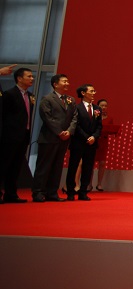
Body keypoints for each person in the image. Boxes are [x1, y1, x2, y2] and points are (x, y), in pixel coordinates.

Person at [33, 74, 77, 203]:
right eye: (64, 81)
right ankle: (38, 192)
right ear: (55, 84)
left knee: (57, 167)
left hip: (64, 139)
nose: (67, 84)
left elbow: (75, 118)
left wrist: (69, 131)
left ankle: (52, 192)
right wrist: (59, 132)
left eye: (67, 81)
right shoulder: (47, 99)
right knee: (44, 166)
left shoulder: (70, 100)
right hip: (49, 138)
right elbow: (47, 118)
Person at [0, 67, 35, 203]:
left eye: (32, 76)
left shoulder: (30, 95)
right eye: (29, 76)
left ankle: (11, 194)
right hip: (9, 136)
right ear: (19, 78)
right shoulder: (9, 94)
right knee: (4, 165)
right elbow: (3, 116)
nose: (32, 79)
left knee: (16, 166)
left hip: (24, 136)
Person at [65, 84, 102, 201]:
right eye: (91, 91)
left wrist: (94, 137)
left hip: (92, 143)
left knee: (88, 167)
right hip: (78, 142)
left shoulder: (97, 109)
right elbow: (76, 125)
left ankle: (83, 191)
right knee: (73, 166)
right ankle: (70, 191)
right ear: (83, 93)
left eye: (94, 91)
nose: (94, 93)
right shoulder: (76, 107)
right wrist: (86, 137)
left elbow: (99, 126)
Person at [93, 98, 119, 191]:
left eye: (105, 106)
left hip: (104, 142)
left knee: (102, 163)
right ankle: (89, 184)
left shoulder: (109, 118)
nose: (104, 107)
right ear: (98, 106)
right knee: (91, 163)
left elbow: (110, 129)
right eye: (102, 105)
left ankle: (99, 184)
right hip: (94, 141)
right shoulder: (94, 116)